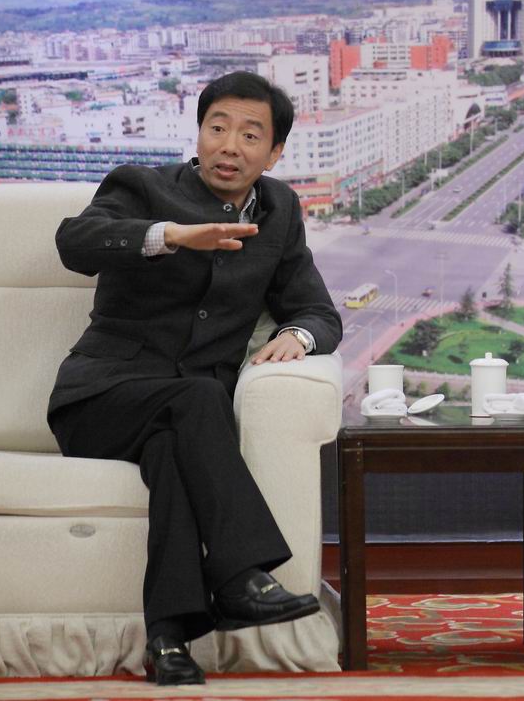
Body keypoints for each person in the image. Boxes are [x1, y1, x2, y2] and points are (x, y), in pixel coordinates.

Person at [48, 71, 342, 686]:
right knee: (202, 396)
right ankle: (239, 577)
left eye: (250, 135)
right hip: (101, 398)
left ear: (274, 152)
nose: (229, 146)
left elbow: (317, 310)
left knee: (174, 459)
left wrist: (298, 335)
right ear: (200, 132)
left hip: (184, 420)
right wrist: (169, 236)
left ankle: (168, 641)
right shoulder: (141, 186)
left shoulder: (280, 211)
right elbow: (75, 243)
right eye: (217, 128)